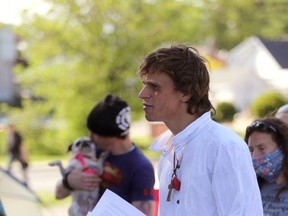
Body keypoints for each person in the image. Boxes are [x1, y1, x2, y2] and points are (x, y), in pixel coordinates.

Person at [137, 44, 263, 215]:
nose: (143, 93)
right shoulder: (169, 149)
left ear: (185, 92)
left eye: (155, 87)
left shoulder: (224, 147)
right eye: (145, 85)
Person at [55, 94, 155, 216]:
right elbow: (58, 194)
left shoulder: (141, 167)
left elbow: (145, 213)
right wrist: (68, 182)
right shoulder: (93, 152)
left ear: (112, 136)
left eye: (95, 133)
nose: (90, 137)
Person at [244, 117, 288, 215]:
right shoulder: (250, 188)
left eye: (261, 148)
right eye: (251, 150)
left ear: (282, 148)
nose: (254, 155)